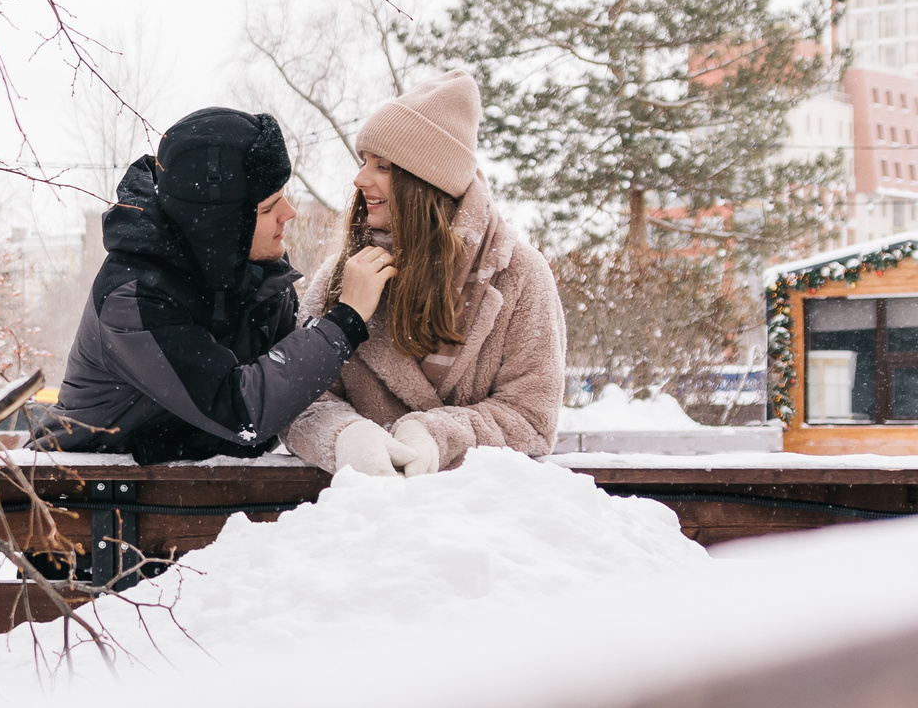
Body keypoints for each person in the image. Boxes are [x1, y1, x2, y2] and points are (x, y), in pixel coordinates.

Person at [29, 107, 393, 462]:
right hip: (76, 495)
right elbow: (241, 410)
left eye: (284, 196)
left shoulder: (259, 272)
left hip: (192, 496)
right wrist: (345, 319)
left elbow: (299, 386)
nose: (290, 213)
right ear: (221, 228)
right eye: (268, 208)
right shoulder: (135, 297)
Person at [284, 69, 564, 478]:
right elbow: (299, 399)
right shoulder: (340, 276)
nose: (361, 179)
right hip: (360, 519)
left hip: (479, 521)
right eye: (365, 162)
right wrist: (347, 438)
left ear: (427, 183)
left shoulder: (518, 275)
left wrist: (436, 435)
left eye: (383, 166)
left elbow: (531, 416)